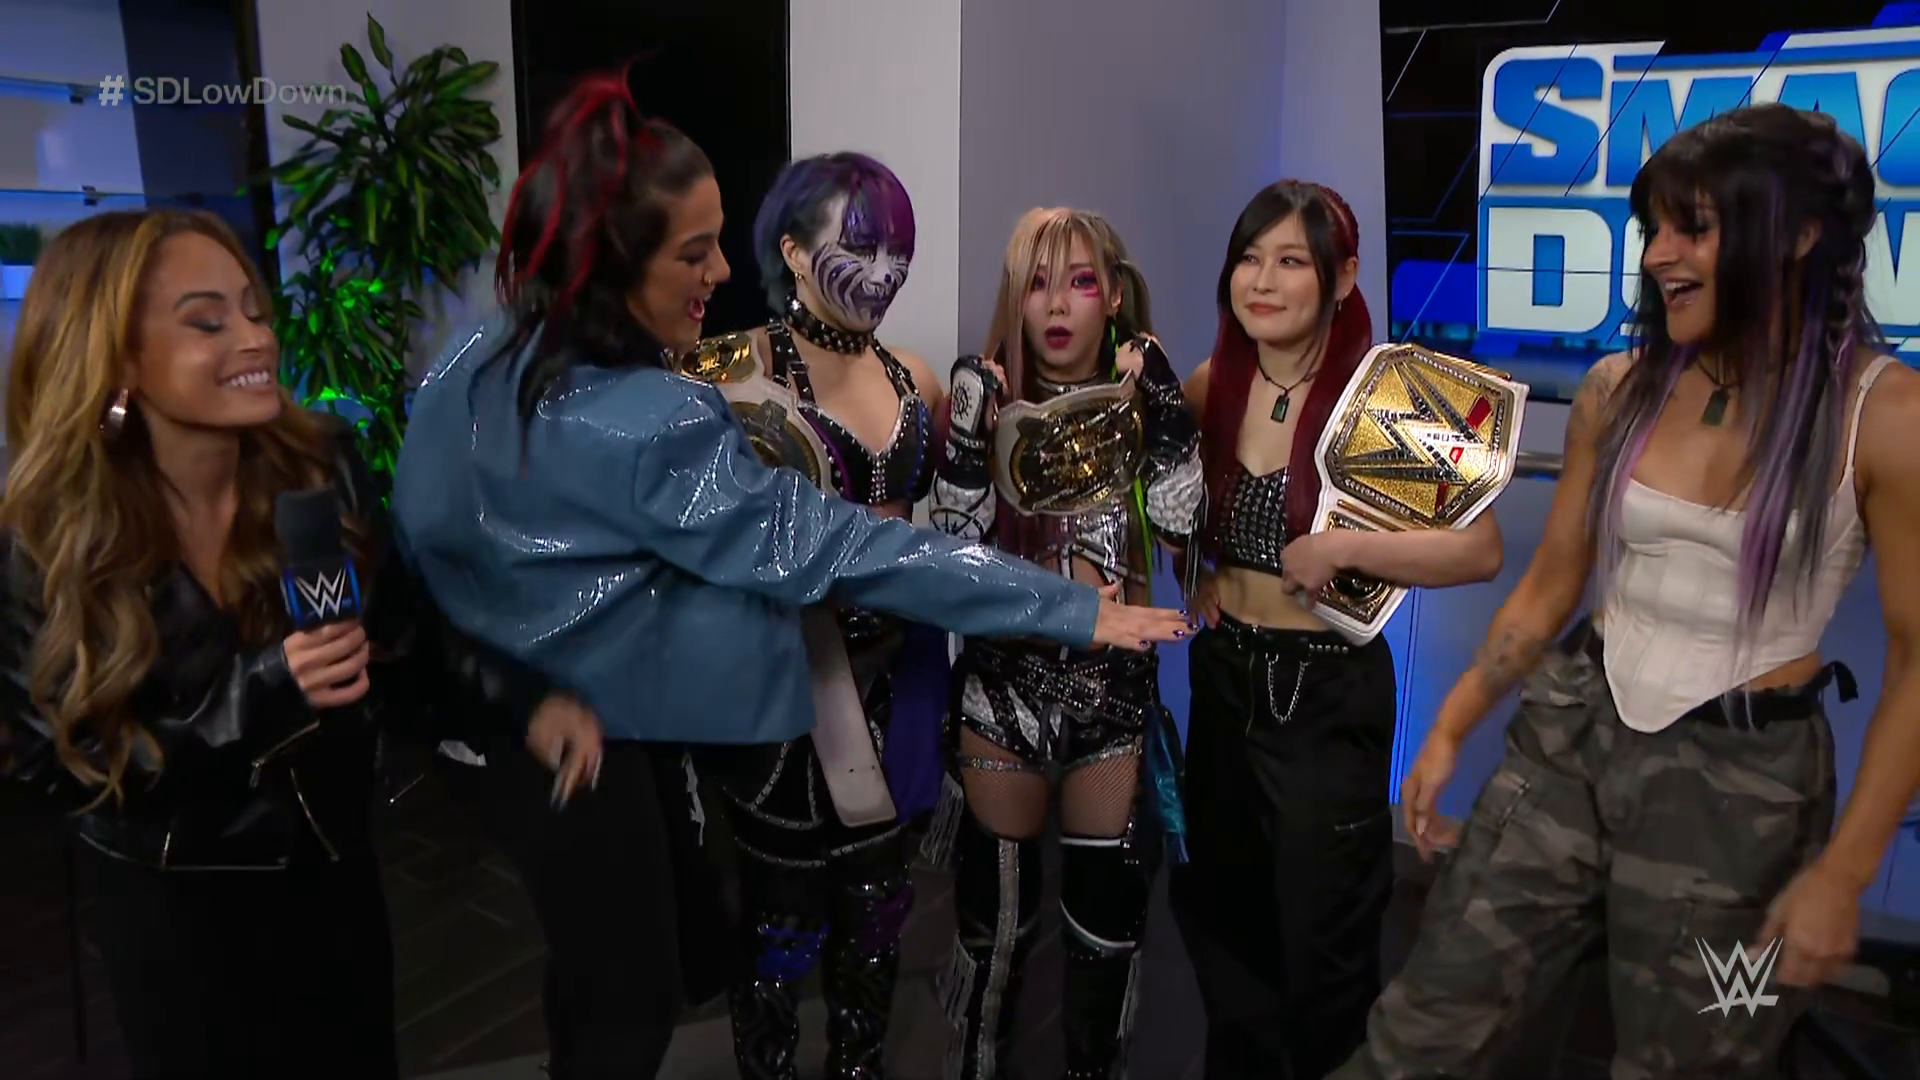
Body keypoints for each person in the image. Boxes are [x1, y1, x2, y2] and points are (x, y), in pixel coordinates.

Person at [390, 70, 1191, 1080]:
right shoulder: (679, 402)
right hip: (672, 723)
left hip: (839, 689)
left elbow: (427, 529)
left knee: (836, 918)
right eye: (694, 250)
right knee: (677, 972)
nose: (720, 269)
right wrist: (1067, 607)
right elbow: (848, 546)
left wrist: (493, 674)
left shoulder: (487, 349)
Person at [1331, 103, 1920, 1078]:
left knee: (1699, 1059)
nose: (1657, 255)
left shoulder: (1885, 414)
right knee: (1424, 1031)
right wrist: (1452, 724)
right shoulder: (1620, 386)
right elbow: (1554, 580)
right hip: (1571, 734)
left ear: (1800, 236)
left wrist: (1844, 874)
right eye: (1655, 227)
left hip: (1749, 799)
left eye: (1695, 227)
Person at [0, 209, 597, 1080]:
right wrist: (266, 691)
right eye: (207, 322)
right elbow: (61, 767)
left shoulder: (320, 465)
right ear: (116, 358)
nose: (255, 339)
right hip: (175, 905)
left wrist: (521, 700)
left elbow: (403, 634)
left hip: (329, 875)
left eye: (253, 310)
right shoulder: (42, 539)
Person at [1168, 179, 1505, 1079]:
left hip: (1326, 689)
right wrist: (1197, 573)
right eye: (1248, 258)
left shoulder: (1387, 394)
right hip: (1225, 679)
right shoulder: (1212, 384)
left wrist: (1348, 547)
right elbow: (1169, 503)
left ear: (1343, 276)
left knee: (1327, 942)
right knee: (1223, 924)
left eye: (1290, 261)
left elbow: (1480, 551)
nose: (1262, 281)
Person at [672, 150, 953, 1080]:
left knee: (878, 907)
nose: (884, 271)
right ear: (793, 250)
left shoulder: (914, 377)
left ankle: (859, 1066)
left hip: (897, 676)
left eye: (900, 249)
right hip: (781, 684)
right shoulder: (719, 372)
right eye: (861, 245)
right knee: (779, 919)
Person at [929, 206, 1203, 1080]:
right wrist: (968, 438)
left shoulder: (1142, 402)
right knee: (994, 936)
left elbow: (1181, 527)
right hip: (1002, 687)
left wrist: (1165, 407)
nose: (1056, 304)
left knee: (1106, 935)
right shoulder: (986, 398)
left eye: (1080, 282)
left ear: (1113, 296)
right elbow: (952, 550)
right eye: (1037, 283)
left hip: (1112, 695)